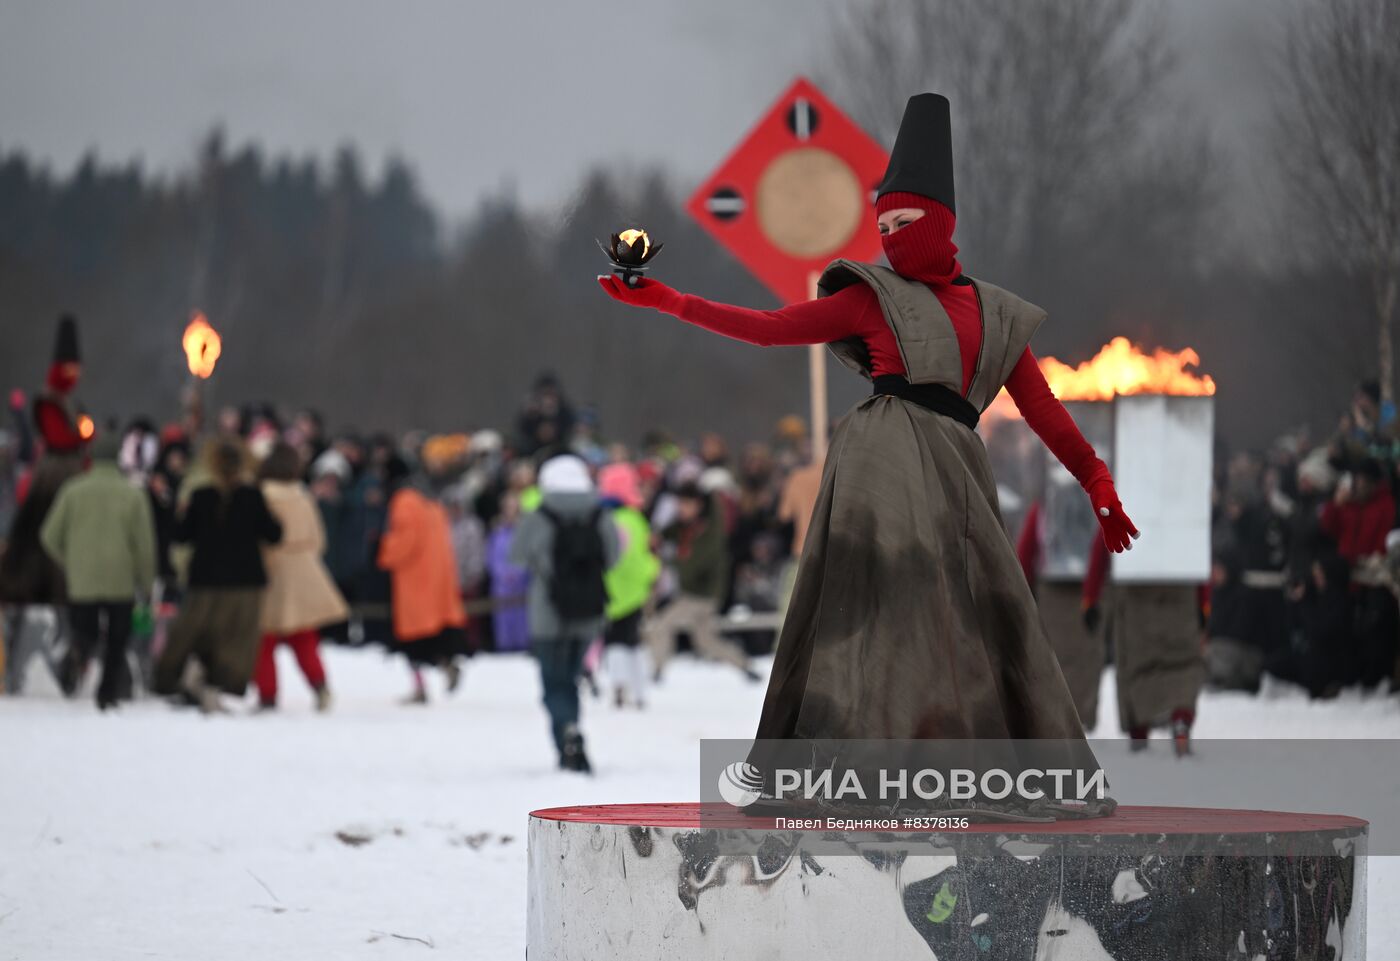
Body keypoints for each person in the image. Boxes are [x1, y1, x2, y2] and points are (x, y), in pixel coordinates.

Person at [600, 93, 1135, 776]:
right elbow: (771, 326)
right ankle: (820, 761)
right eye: (884, 224)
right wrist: (671, 301)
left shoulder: (994, 313)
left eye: (906, 221)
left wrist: (1094, 476)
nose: (891, 235)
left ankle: (978, 763)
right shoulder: (868, 296)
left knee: (972, 622)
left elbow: (1043, 408)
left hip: (957, 479)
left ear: (941, 221)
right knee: (864, 616)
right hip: (879, 469)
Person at [153, 436, 282, 711]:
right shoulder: (253, 496)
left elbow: (181, 534)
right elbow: (274, 534)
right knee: (235, 639)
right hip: (245, 582)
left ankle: (186, 678)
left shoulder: (201, 497)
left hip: (205, 580)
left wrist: (170, 511)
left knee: (197, 633)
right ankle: (215, 686)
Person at [509, 455, 618, 772]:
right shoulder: (600, 513)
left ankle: (566, 732)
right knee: (570, 679)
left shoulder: (539, 514)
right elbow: (613, 556)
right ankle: (570, 732)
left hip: (548, 613)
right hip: (589, 611)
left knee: (553, 683)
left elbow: (515, 557)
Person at [39, 426, 157, 709]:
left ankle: (79, 654)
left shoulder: (73, 491)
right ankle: (107, 692)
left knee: (85, 630)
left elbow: (48, 535)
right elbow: (144, 545)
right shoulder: (133, 495)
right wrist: (147, 581)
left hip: (83, 579)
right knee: (118, 638)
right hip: (121, 579)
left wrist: (69, 560)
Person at [254, 443, 347, 711]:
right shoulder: (303, 496)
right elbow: (318, 538)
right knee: (304, 636)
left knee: (264, 639)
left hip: (271, 570)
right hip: (304, 569)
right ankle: (320, 686)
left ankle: (268, 694)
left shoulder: (263, 496)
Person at [376, 456, 468, 703]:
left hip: (413, 580)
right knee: (434, 635)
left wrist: (383, 552)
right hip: (437, 580)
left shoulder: (404, 501)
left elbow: (405, 540)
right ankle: (445, 664)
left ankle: (419, 687)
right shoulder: (431, 501)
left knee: (410, 639)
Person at [646, 484, 757, 682]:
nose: (682, 509)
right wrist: (659, 537)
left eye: (686, 504)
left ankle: (656, 671)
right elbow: (668, 532)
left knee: (661, 626)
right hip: (697, 593)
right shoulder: (686, 525)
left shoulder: (708, 531)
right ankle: (745, 666)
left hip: (700, 595)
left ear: (698, 505)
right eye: (680, 504)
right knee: (706, 640)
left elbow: (693, 565)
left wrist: (669, 560)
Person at [598, 462, 661, 709]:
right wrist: (651, 575)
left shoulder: (606, 520)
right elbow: (645, 554)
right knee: (633, 641)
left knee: (614, 641)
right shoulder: (636, 520)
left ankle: (618, 686)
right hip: (636, 590)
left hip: (610, 589)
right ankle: (640, 691)